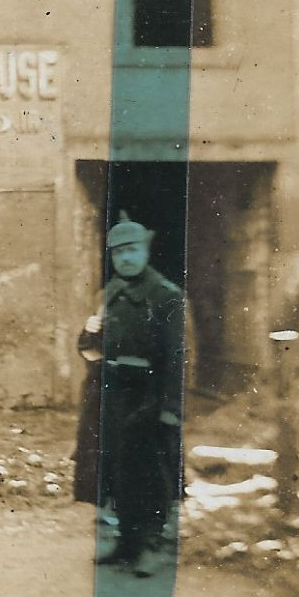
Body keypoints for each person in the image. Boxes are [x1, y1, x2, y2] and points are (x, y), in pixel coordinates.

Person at [74, 214, 187, 578]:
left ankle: (150, 545)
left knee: (150, 474)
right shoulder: (108, 295)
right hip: (110, 396)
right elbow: (91, 346)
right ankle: (125, 541)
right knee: (116, 470)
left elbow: (178, 359)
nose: (126, 258)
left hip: (148, 399)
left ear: (146, 251)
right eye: (119, 252)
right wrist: (88, 334)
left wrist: (170, 409)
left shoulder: (168, 296)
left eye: (132, 250)